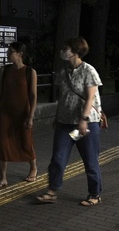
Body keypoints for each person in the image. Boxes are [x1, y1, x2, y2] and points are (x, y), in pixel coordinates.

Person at [37, 37, 103, 206]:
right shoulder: (63, 72)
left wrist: (83, 119)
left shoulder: (89, 71)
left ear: (75, 51)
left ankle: (95, 194)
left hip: (86, 125)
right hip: (65, 123)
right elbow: (63, 97)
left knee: (90, 160)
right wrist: (56, 117)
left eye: (66, 48)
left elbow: (90, 99)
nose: (63, 51)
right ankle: (52, 191)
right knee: (58, 158)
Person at [0, 41, 38, 189]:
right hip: (5, 112)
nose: (8, 54)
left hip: (23, 113)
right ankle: (3, 177)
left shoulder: (29, 72)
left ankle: (33, 168)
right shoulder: (4, 70)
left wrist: (30, 116)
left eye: (10, 52)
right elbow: (0, 92)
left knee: (25, 141)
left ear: (20, 54)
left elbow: (33, 95)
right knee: (2, 143)